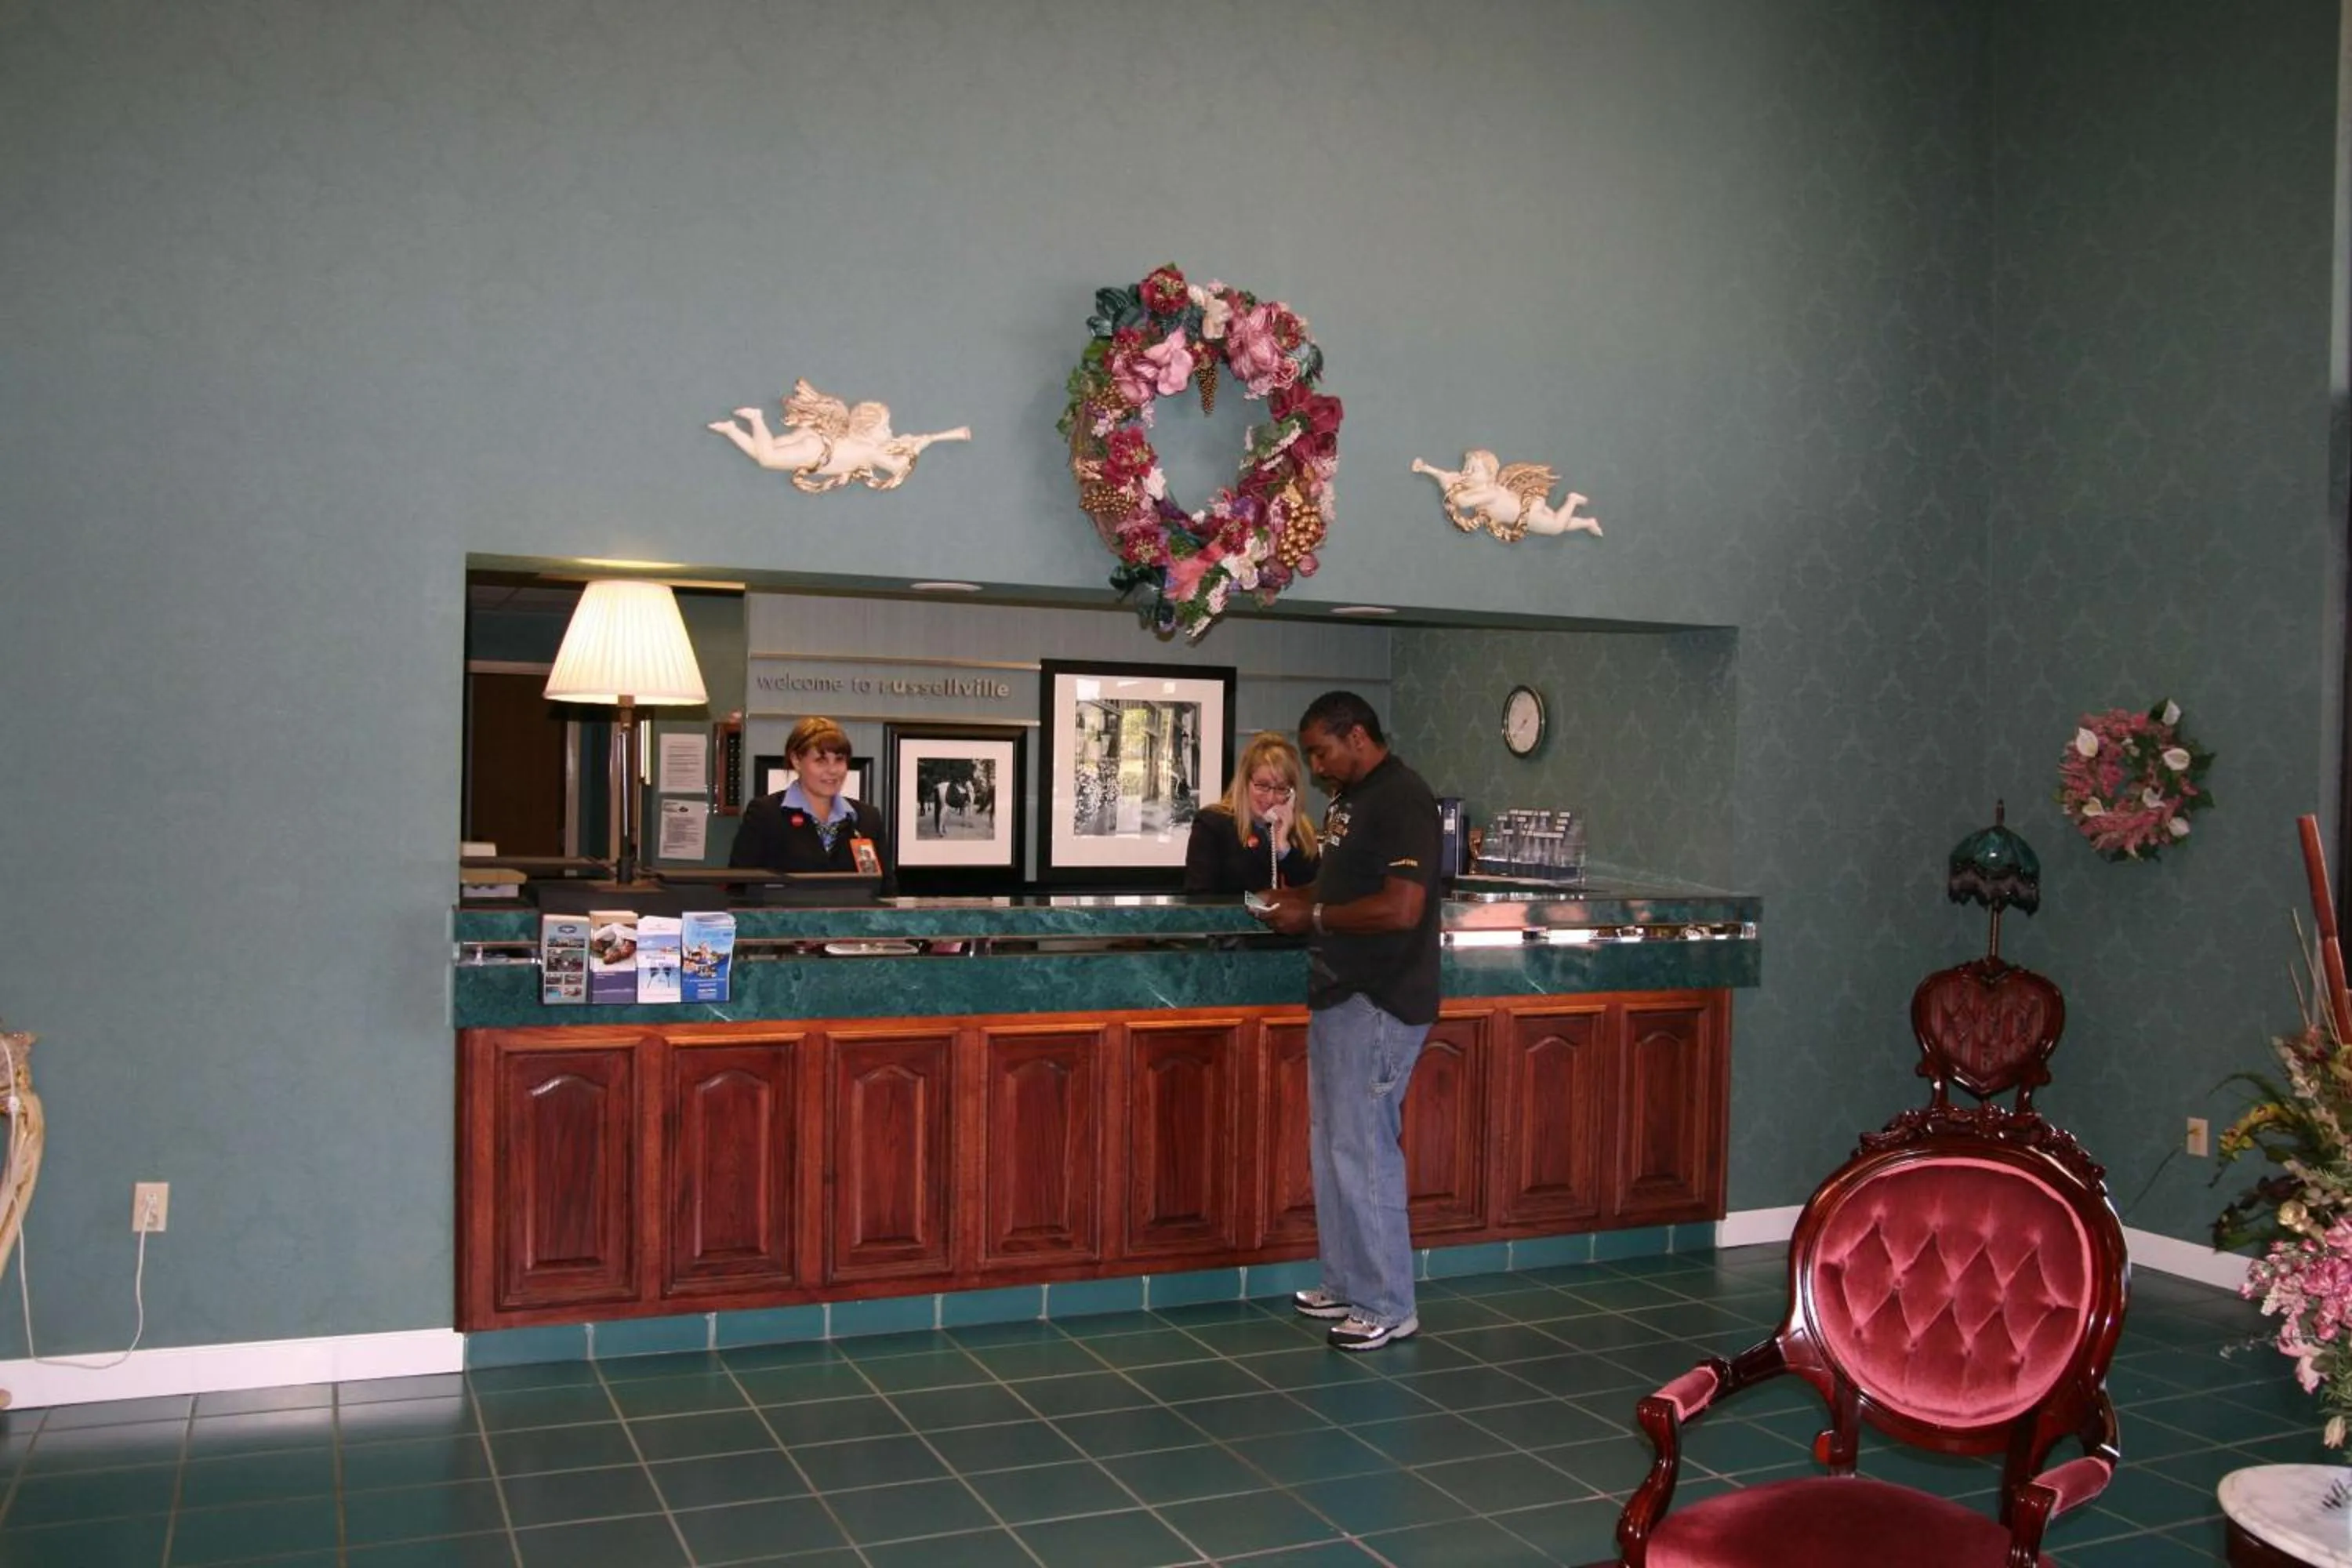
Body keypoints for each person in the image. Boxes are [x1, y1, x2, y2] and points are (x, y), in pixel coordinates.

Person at [1250, 691, 1443, 1352]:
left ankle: (1389, 1302)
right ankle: (1348, 1282)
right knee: (1333, 1144)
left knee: (1365, 1149)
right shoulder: (1348, 801)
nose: (1317, 765)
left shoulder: (1403, 798)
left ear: (1357, 736)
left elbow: (1403, 907)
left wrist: (1317, 918)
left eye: (1321, 751)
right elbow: (1338, 887)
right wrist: (1293, 899)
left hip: (1382, 999)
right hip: (1338, 993)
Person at [729, 717, 895, 895]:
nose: (832, 770)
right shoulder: (766, 814)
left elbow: (887, 891)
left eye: (839, 760)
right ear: (796, 760)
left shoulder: (866, 818)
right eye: (821, 761)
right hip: (784, 921)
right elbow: (738, 887)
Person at [1183, 731, 1320, 894]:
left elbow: (1315, 894)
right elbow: (1200, 898)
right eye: (1262, 785)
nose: (1270, 798)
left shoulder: (1303, 831)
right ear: (1244, 782)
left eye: (1281, 789)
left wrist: (1283, 848)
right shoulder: (1213, 824)